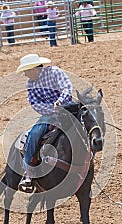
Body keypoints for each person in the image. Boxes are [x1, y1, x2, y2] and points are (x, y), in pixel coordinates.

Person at [16, 54, 73, 191]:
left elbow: (67, 88)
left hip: (67, 108)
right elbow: (35, 104)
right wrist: (52, 110)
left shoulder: (55, 72)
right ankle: (28, 173)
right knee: (34, 134)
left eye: (26, 71)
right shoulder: (31, 83)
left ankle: (91, 153)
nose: (25, 75)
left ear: (33, 69)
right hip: (49, 115)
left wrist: (60, 102)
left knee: (86, 122)